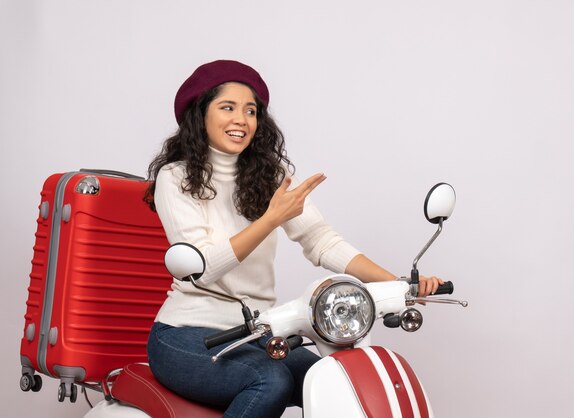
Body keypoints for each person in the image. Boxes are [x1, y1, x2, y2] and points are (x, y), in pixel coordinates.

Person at [144, 60, 443, 418]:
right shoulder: (175, 178)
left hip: (256, 331)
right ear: (200, 115)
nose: (241, 119)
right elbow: (203, 267)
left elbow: (320, 241)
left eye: (251, 111)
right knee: (269, 381)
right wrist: (271, 219)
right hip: (185, 334)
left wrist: (398, 284)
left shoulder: (269, 176)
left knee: (337, 378)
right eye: (227, 107)